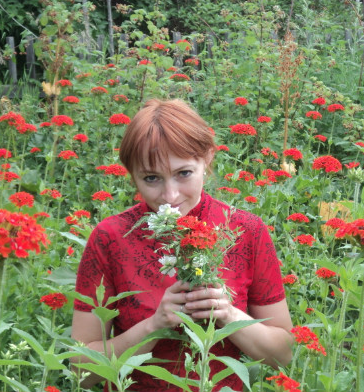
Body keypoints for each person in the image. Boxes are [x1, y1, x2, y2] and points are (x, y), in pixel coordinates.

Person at [72, 99, 293, 391]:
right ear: (132, 175)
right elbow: (81, 373)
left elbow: (284, 356)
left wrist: (229, 315)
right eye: (151, 178)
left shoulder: (245, 231)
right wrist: (154, 326)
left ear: (208, 158)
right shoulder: (110, 238)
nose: (170, 195)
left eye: (183, 173)